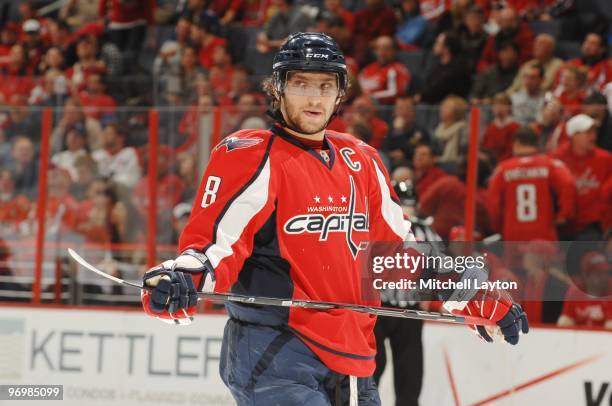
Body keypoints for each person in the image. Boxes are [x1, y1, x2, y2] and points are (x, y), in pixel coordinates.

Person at [139, 32, 528, 405]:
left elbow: (400, 254)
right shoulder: (250, 154)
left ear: (340, 93)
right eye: (301, 83)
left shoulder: (362, 159)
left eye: (326, 86)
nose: (314, 97)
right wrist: (182, 278)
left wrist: (470, 293)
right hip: (275, 350)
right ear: (277, 88)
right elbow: (214, 245)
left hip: (355, 356)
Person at [374, 179, 440, 406]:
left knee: (405, 374)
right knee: (383, 370)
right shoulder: (424, 230)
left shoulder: (381, 225)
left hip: (389, 308)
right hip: (385, 308)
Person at [487, 127, 576, 242]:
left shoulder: (502, 169)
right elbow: (568, 184)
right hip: (543, 233)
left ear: (516, 143)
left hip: (513, 234)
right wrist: (563, 215)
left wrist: (498, 226)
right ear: (536, 144)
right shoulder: (551, 165)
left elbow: (493, 204)